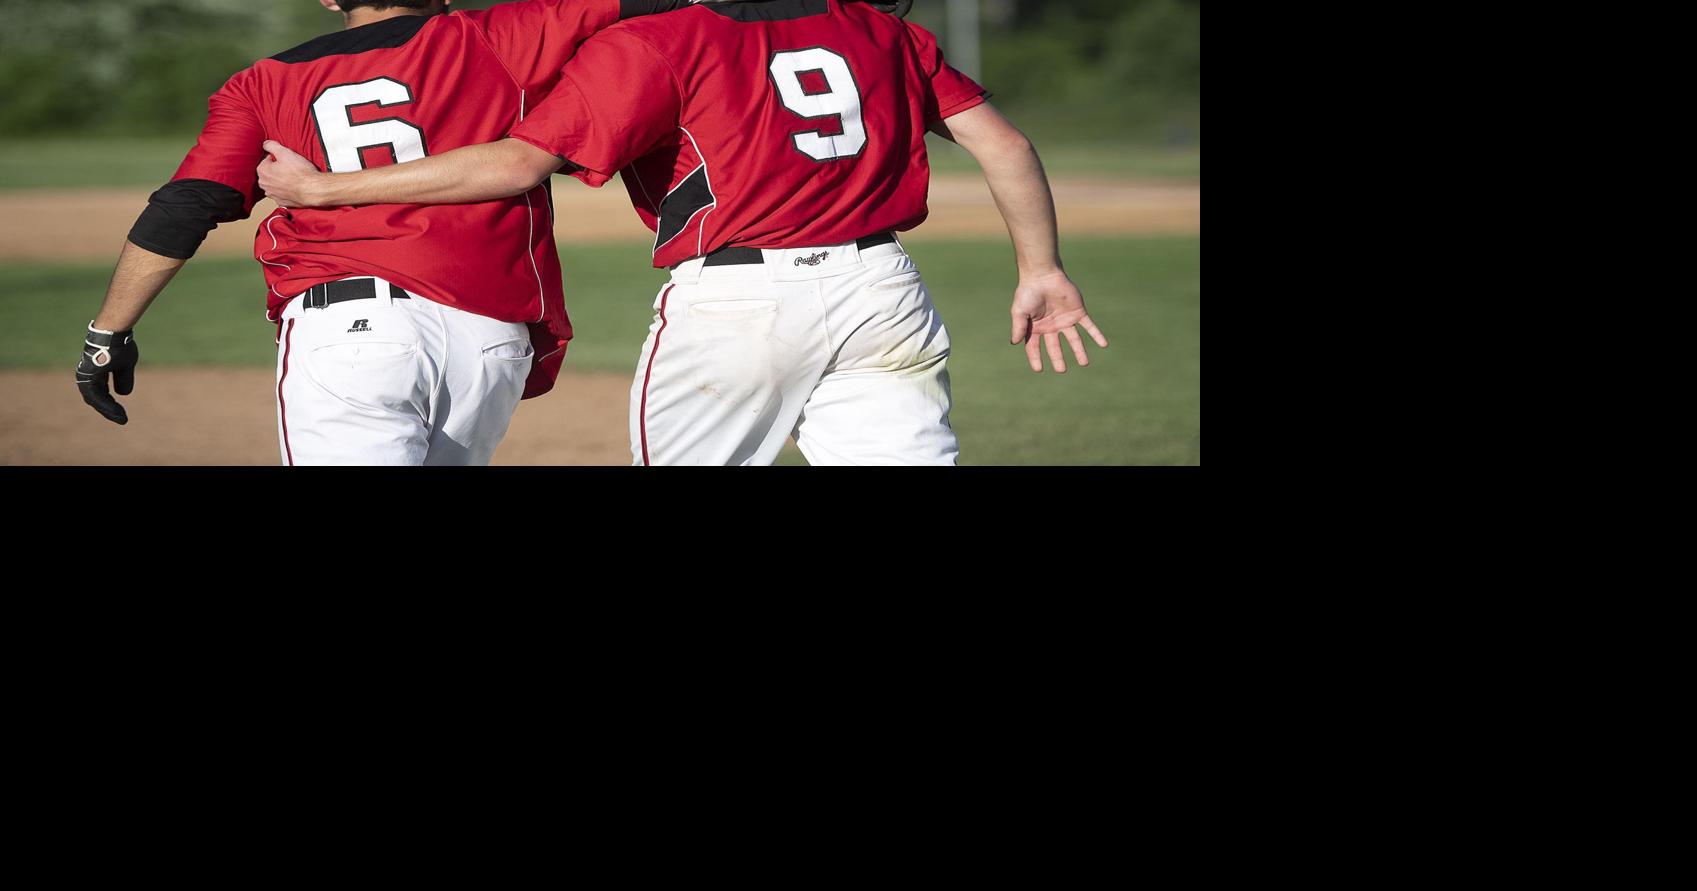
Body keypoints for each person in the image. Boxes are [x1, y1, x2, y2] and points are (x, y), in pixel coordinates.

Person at [259, 0, 1106, 466]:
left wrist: (324, 187)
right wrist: (1042, 269)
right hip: (884, 290)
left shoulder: (657, 41)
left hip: (738, 301)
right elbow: (1007, 143)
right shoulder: (882, 29)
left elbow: (520, 163)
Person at [75, 0, 705, 465]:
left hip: (350, 332)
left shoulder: (261, 83)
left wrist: (108, 332)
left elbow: (186, 206)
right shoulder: (505, 35)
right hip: (490, 339)